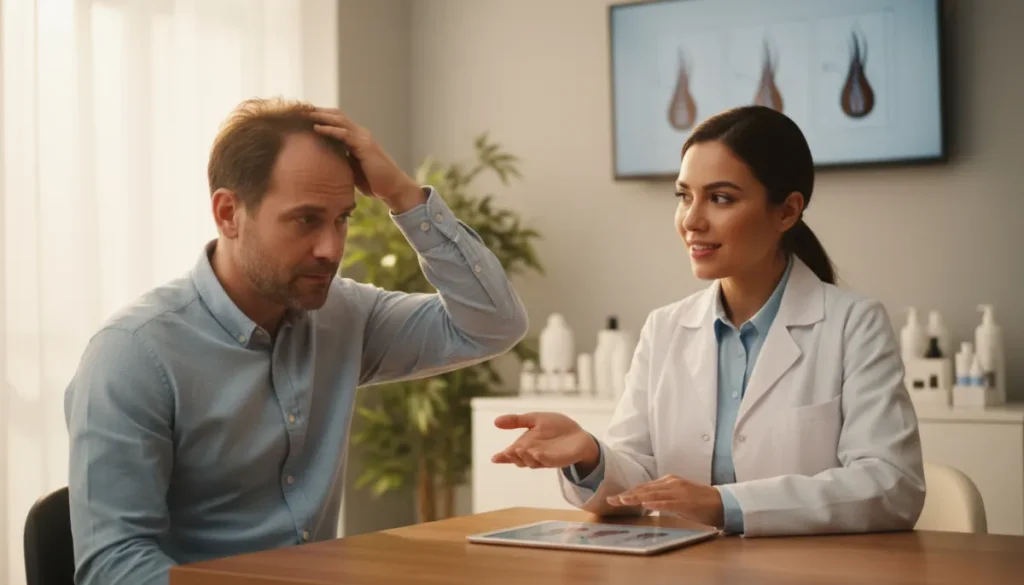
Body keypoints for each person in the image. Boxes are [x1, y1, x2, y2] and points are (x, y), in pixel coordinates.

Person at [64, 98, 529, 585]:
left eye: (342, 219)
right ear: (228, 214)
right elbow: (113, 567)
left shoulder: (344, 316)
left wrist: (404, 198)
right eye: (306, 220)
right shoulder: (133, 354)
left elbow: (493, 325)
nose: (331, 249)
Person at [492, 105, 925, 537]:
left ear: (787, 211)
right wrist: (588, 456)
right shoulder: (664, 328)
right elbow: (639, 481)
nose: (692, 220)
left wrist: (725, 504)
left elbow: (891, 484)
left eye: (720, 198)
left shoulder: (853, 325)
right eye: (684, 196)